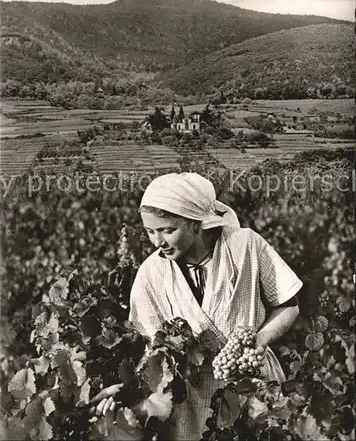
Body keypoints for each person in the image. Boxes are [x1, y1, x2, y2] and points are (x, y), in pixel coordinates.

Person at [94, 172, 303, 440]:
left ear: (196, 224)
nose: (158, 242)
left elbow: (289, 305)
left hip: (253, 386)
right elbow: (153, 351)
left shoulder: (244, 245)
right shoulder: (151, 273)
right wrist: (129, 392)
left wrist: (259, 341)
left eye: (168, 230)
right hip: (192, 403)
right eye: (150, 231)